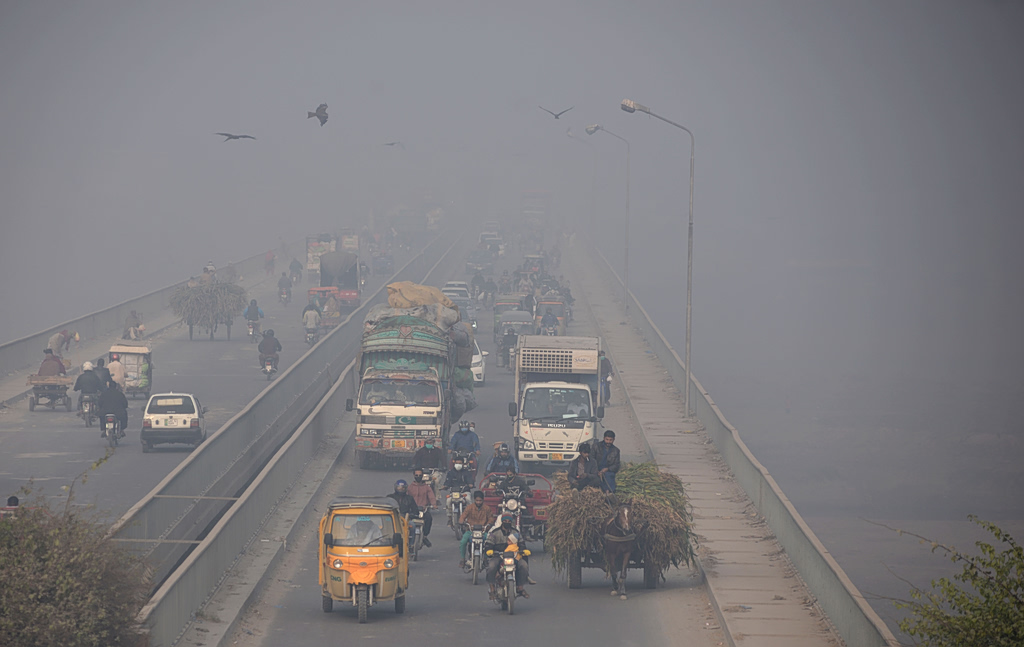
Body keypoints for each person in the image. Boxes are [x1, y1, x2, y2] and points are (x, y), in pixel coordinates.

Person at [485, 514, 530, 600]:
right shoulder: (495, 532)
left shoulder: (516, 532)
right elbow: (488, 543)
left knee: (523, 565)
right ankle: (492, 589)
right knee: (491, 567)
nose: (507, 523)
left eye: (509, 521)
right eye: (505, 521)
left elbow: (521, 543)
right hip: (498, 556)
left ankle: (520, 587)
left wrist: (524, 550)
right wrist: (489, 550)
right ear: (502, 522)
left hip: (514, 556)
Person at [457, 490, 495, 568]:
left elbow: (491, 518)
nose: (478, 502)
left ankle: (486, 558)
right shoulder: (469, 507)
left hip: (483, 531)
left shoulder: (487, 508)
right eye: (477, 500)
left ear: (483, 500)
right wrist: (461, 521)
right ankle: (462, 559)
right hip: (470, 531)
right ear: (474, 500)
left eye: (480, 500)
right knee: (463, 542)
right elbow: (463, 516)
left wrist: (489, 524)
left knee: (490, 541)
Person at [408, 469, 436, 548]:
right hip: (412, 511)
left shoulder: (426, 487)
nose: (418, 477)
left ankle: (424, 536)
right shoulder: (410, 487)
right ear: (413, 476)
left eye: (420, 475)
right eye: (416, 475)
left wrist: (434, 504)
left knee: (429, 518)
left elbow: (431, 496)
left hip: (423, 510)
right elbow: (406, 497)